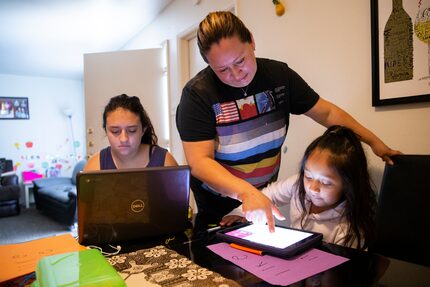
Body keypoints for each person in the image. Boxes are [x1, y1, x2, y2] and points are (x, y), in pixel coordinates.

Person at [175, 11, 400, 231]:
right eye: (222, 69)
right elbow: (200, 162)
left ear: (251, 41)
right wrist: (245, 192)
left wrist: (373, 141)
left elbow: (327, 114)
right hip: (218, 202)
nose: (235, 74)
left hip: (264, 190)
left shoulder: (279, 77)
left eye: (240, 60)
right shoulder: (198, 95)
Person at [222, 125, 377, 250]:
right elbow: (269, 195)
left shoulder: (349, 230)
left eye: (326, 183)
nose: (313, 188)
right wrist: (241, 212)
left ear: (348, 185)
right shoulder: (298, 184)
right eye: (308, 176)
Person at [85, 94, 177, 171]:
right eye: (115, 131)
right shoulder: (95, 166)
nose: (124, 139)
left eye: (132, 130)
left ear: (143, 130)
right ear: (106, 131)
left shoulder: (165, 162)